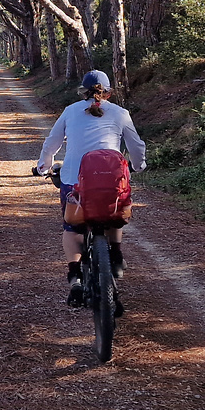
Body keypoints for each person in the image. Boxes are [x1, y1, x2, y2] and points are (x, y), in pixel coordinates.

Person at [37, 70, 147, 306]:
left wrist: (43, 167)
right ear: (108, 92)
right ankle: (115, 255)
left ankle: (75, 275)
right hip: (111, 179)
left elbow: (52, 144)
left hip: (73, 180)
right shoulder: (120, 113)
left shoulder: (70, 111)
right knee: (113, 211)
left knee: (72, 227)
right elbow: (136, 145)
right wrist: (139, 165)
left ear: (83, 91)